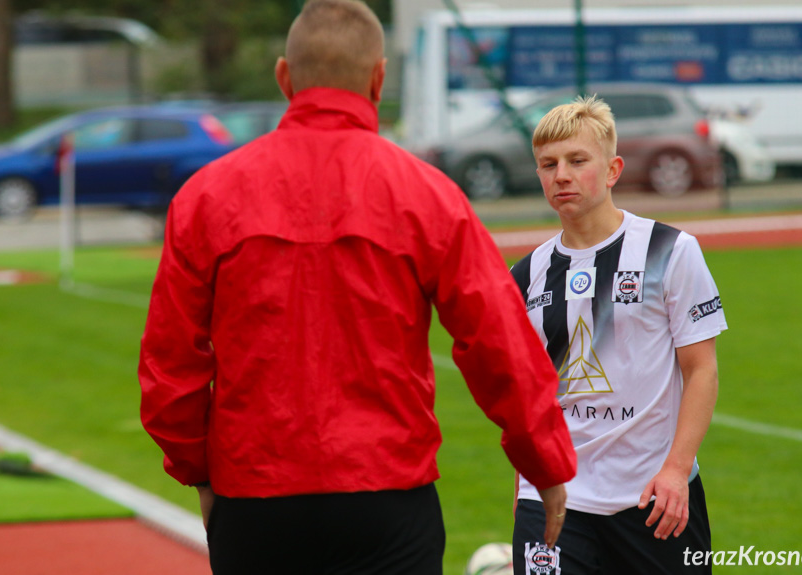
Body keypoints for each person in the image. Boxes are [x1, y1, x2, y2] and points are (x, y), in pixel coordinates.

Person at [138, 1, 576, 574]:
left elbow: (171, 365)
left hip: (256, 499)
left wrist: (197, 470)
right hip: (387, 497)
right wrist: (545, 462)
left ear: (284, 77)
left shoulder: (207, 196)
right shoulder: (427, 193)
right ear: (378, 78)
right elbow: (499, 342)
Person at [510, 95, 727, 575]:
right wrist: (527, 486)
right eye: (548, 164)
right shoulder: (527, 275)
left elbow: (701, 370)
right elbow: (529, 395)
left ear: (612, 170)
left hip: (654, 495)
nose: (561, 174)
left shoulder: (670, 251)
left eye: (577, 160)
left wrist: (676, 469)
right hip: (559, 498)